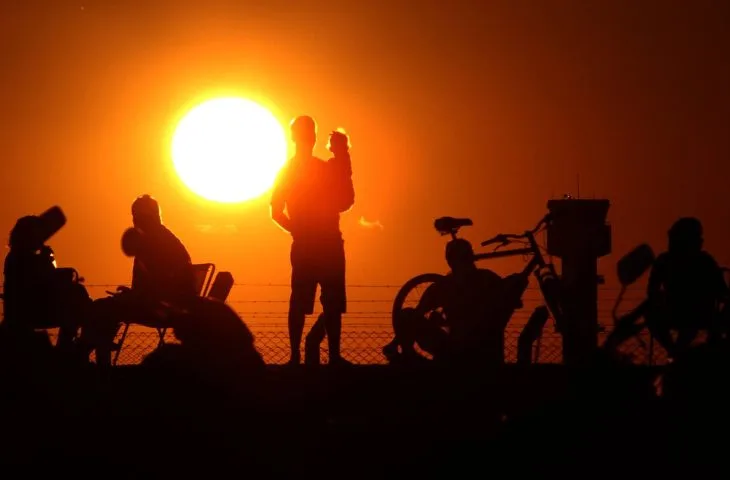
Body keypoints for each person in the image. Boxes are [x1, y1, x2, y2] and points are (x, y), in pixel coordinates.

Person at [270, 116, 355, 366]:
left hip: (317, 243)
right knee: (322, 301)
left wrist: (296, 230)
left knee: (315, 301)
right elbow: (346, 201)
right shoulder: (310, 169)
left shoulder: (292, 170)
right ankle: (323, 357)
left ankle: (299, 357)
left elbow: (345, 200)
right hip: (323, 243)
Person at [80, 194, 197, 367]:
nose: (135, 221)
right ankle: (92, 351)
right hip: (158, 302)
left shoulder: (156, 242)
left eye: (139, 217)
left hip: (161, 306)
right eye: (134, 216)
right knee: (104, 308)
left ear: (150, 217)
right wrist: (133, 294)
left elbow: (161, 284)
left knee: (102, 308)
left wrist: (136, 296)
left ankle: (89, 357)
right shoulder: (156, 239)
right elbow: (153, 282)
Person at [383, 238, 527, 366]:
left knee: (407, 315)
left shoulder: (443, 286)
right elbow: (509, 301)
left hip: (455, 352)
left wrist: (437, 322)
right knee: (409, 315)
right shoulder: (488, 278)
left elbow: (416, 315)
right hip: (484, 353)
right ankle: (407, 354)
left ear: (450, 261)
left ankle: (407, 356)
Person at [1, 214, 92, 353]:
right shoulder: (20, 258)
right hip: (29, 310)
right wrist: (49, 263)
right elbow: (40, 282)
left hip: (38, 306)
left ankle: (72, 346)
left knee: (77, 295)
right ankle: (69, 347)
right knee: (77, 297)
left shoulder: (23, 256)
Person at [643, 217, 728, 358]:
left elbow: (722, 292)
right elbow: (652, 291)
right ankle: (675, 351)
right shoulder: (665, 261)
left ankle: (677, 352)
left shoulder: (704, 262)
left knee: (693, 315)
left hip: (698, 314)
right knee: (652, 312)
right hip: (677, 312)